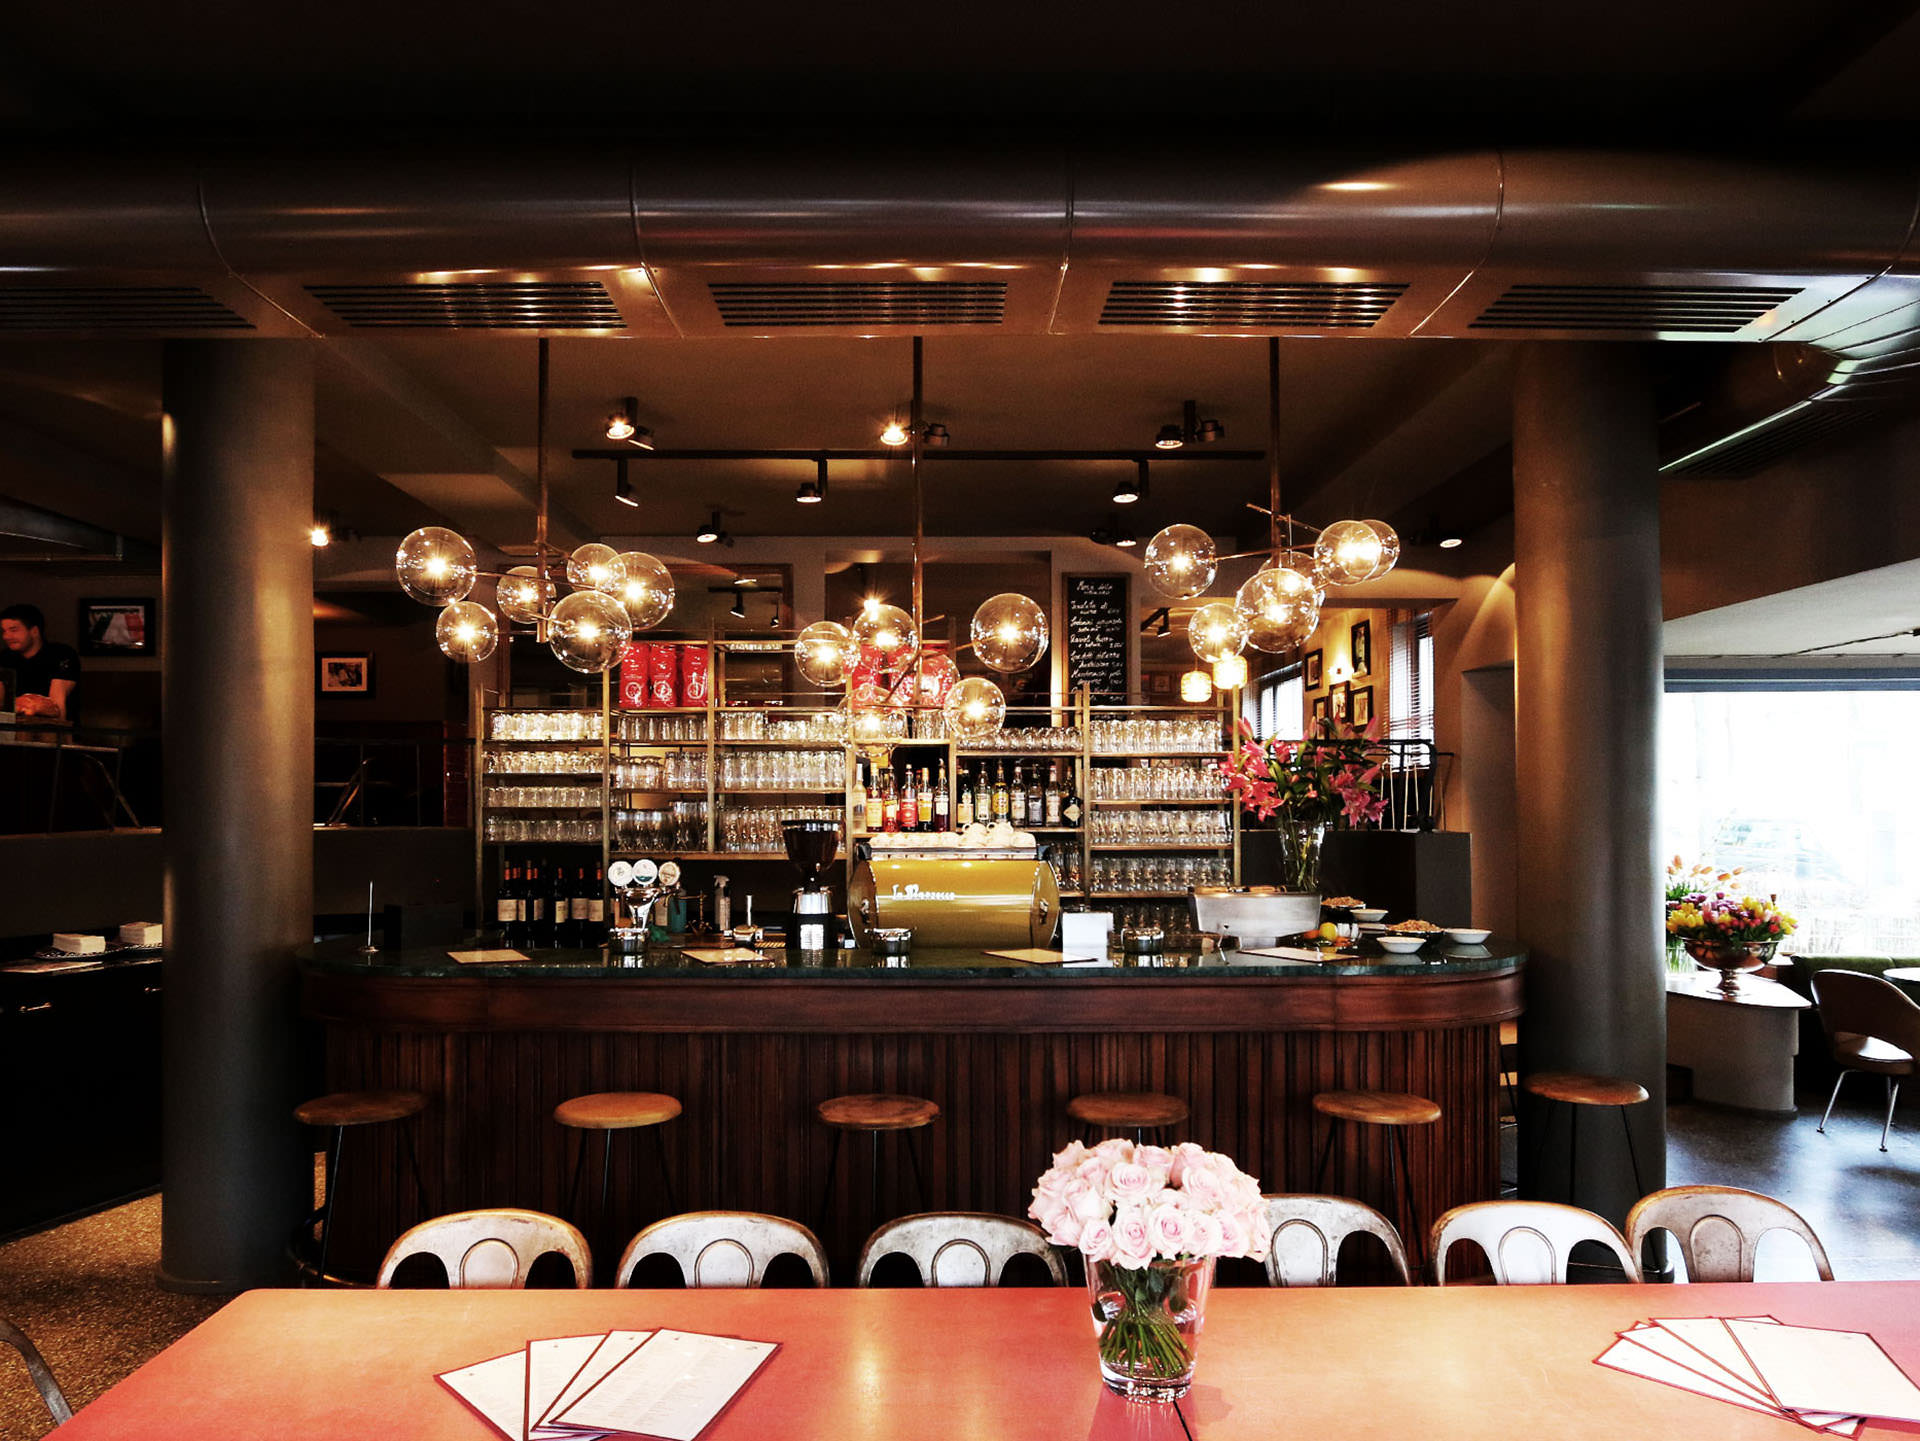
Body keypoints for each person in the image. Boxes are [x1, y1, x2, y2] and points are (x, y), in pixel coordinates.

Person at [1, 603, 80, 722]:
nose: (6, 636)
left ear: (34, 631)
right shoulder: (4, 658)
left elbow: (57, 710)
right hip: (11, 733)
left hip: (57, 734)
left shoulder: (61, 654)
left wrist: (31, 705)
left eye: (13, 630)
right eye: (4, 631)